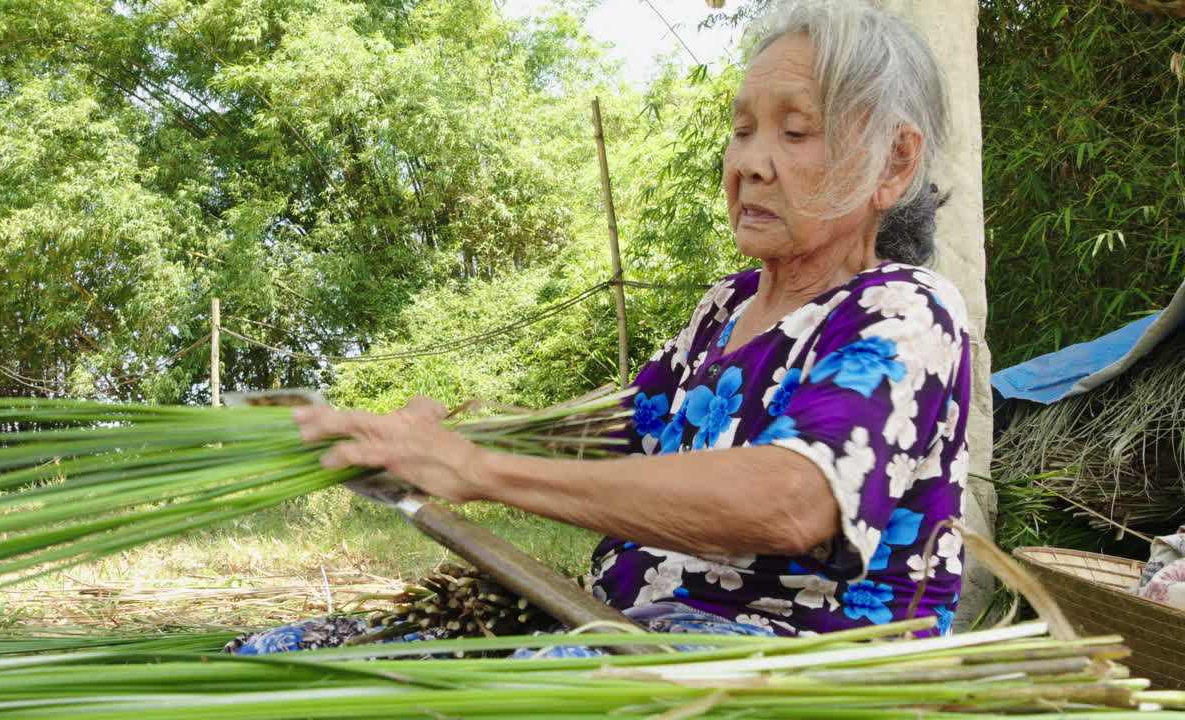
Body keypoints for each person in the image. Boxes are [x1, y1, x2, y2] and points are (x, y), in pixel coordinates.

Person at [227, 0, 970, 655]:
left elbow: (793, 498)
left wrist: (482, 473)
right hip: (624, 622)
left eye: (794, 131)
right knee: (296, 656)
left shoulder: (905, 311)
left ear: (894, 164)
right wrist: (427, 440)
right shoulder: (728, 306)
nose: (749, 163)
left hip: (787, 656)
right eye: (741, 130)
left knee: (530, 692)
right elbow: (625, 431)